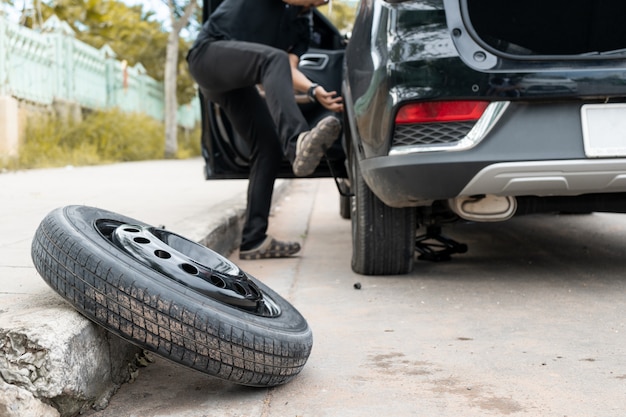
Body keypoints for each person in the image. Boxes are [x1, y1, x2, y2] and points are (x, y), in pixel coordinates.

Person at [187, 0, 344, 260]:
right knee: (273, 58)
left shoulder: (303, 24)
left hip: (238, 81)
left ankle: (254, 240)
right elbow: (277, 60)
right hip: (208, 57)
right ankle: (297, 143)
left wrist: (314, 90)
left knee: (268, 147)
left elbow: (289, 69)